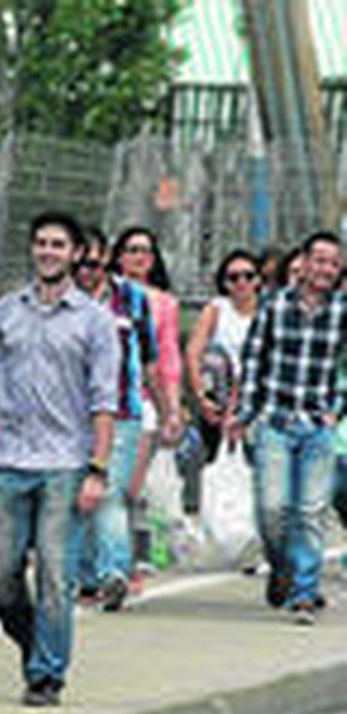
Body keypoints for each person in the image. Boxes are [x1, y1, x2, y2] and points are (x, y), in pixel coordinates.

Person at [0, 211, 119, 708]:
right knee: (2, 574)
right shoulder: (8, 310)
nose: (48, 251)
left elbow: (103, 401)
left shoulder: (95, 320)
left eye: (58, 244)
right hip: (8, 459)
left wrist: (97, 469)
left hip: (65, 463)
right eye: (41, 243)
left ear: (76, 254)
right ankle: (36, 642)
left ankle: (47, 675)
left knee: (56, 574)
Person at [235, 232, 346, 623]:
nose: (326, 270)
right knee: (272, 509)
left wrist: (338, 408)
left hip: (317, 424)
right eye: (320, 260)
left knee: (311, 512)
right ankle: (282, 566)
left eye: (334, 263)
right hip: (275, 421)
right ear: (303, 262)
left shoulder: (342, 310)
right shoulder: (274, 305)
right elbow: (253, 359)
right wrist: (247, 412)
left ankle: (304, 592)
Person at [74, 226, 164, 613]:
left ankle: (114, 572)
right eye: (82, 264)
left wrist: (168, 409)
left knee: (109, 492)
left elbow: (149, 360)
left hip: (122, 409)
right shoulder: (59, 298)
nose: (88, 272)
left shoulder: (131, 299)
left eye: (96, 264)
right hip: (69, 413)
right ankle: (86, 574)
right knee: (75, 494)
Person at [109, 226, 184, 593]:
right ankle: (103, 562)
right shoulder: (104, 295)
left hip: (142, 402)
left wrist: (173, 408)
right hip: (102, 401)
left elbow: (167, 360)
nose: (138, 258)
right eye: (131, 250)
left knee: (126, 487)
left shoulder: (163, 303)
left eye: (145, 251)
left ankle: (122, 565)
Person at [184, 249, 260, 515]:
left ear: (258, 280)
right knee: (214, 359)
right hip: (219, 391)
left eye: (248, 276)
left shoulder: (268, 311)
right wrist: (201, 396)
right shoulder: (217, 309)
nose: (241, 283)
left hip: (254, 395)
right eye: (233, 277)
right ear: (224, 282)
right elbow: (194, 351)